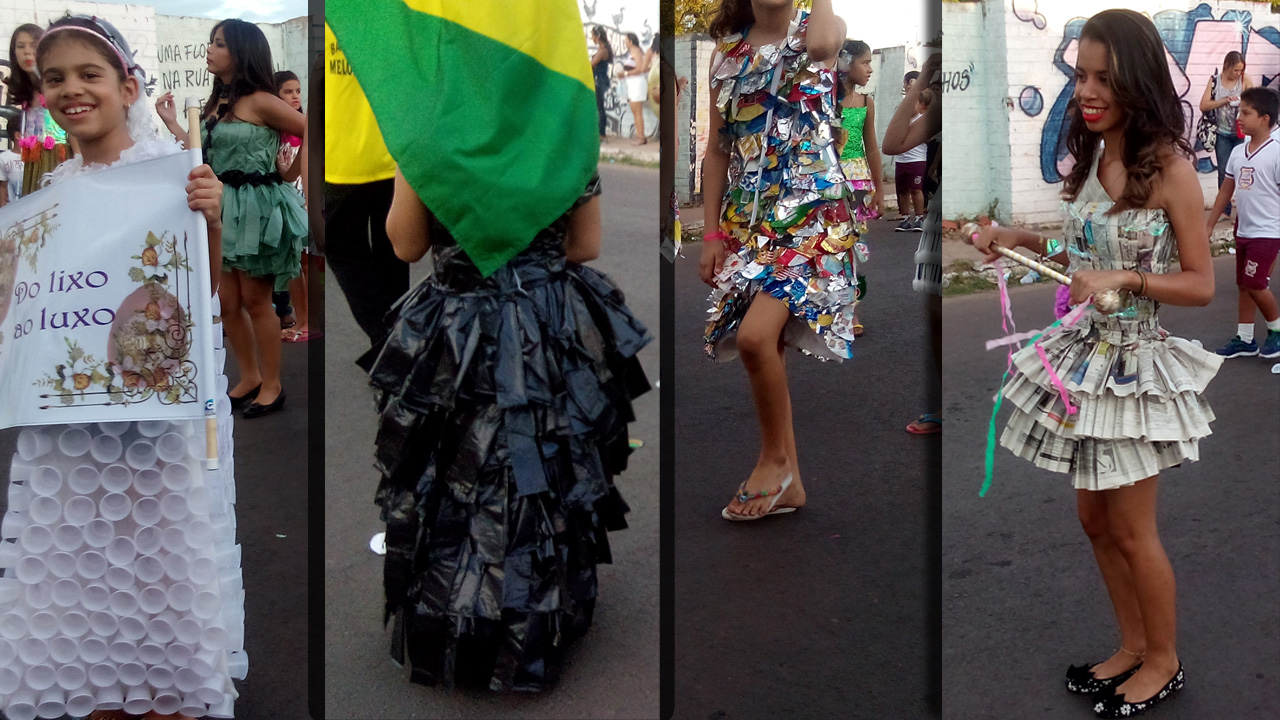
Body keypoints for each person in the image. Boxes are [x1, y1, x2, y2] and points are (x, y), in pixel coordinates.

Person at [968, 11, 1220, 717]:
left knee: (1134, 529)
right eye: (1081, 74)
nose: (1087, 89)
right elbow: (1083, 265)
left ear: (1137, 79)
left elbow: (1200, 284)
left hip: (1137, 369)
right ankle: (1132, 646)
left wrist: (1130, 283)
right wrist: (1018, 238)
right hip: (1083, 362)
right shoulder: (1092, 160)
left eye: (1104, 76)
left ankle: (1164, 661)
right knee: (1094, 522)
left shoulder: (1170, 167)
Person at [0, 15, 241, 720]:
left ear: (127, 84)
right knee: (79, 547)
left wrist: (214, 221)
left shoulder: (169, 172)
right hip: (67, 416)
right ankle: (97, 679)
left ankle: (167, 684)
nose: (72, 90)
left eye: (88, 74)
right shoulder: (45, 192)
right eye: (55, 79)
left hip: (151, 404)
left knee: (155, 541)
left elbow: (203, 293)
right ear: (41, 95)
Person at [368, 172, 651, 691]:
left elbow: (406, 244)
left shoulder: (428, 135)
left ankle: (457, 623)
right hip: (546, 321)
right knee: (543, 473)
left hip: (458, 327)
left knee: (454, 477)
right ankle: (540, 624)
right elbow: (584, 246)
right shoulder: (565, 124)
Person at [700, 0, 850, 520]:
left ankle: (772, 460)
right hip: (748, 220)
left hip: (811, 216)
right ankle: (791, 484)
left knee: (754, 337)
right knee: (771, 350)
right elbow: (719, 148)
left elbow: (826, 49)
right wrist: (713, 231)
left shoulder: (818, 32)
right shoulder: (726, 54)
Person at [156, 19, 306, 419]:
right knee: (227, 300)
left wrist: (289, 174)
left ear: (240, 52)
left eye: (218, 43)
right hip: (222, 206)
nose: (209, 49)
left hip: (257, 208)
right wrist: (172, 123)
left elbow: (312, 129)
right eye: (211, 42)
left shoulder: (259, 99)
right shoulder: (214, 102)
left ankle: (273, 385)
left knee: (258, 301)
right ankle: (250, 376)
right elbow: (202, 152)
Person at [323, 22, 408, 359]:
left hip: (348, 159)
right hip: (395, 151)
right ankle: (396, 337)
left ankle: (389, 339)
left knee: (346, 247)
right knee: (392, 254)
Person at [883, 53, 942, 436]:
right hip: (940, 210)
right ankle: (941, 405)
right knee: (936, 315)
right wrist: (921, 79)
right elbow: (892, 143)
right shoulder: (939, 106)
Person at [1206, 87, 1280, 359]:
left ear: (1265, 118)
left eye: (1245, 112)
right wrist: (1209, 225)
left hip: (1269, 231)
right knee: (1244, 284)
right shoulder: (1238, 152)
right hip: (1244, 229)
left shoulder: (1276, 152)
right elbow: (1226, 191)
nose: (1239, 117)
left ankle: (1276, 330)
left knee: (1256, 283)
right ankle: (1246, 339)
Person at [273, 69, 318, 343]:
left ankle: (308, 322)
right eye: (288, 91)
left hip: (304, 199)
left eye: (297, 91)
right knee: (295, 264)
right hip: (286, 200)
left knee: (306, 262)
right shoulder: (276, 129)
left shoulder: (304, 128)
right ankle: (302, 321)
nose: (295, 96)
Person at [7, 23, 74, 196]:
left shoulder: (55, 84)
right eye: (20, 46)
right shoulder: (27, 92)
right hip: (33, 162)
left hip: (59, 160)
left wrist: (80, 164)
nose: (27, 52)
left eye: (33, 45)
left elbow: (72, 122)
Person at [1199, 51, 1252, 216]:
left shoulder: (1244, 80)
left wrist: (1242, 102)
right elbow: (1204, 105)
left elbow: (1255, 100)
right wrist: (1225, 100)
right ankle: (1224, 211)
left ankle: (1244, 209)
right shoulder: (1215, 81)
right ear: (1226, 66)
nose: (1238, 74)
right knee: (1223, 171)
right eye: (1235, 70)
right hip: (1222, 134)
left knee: (1244, 170)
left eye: (1241, 70)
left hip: (1241, 133)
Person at [892, 87, 931, 232]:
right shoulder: (900, 120)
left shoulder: (922, 120)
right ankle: (905, 218)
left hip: (917, 159)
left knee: (916, 189)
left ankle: (919, 218)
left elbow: (929, 137)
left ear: (921, 105)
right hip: (901, 159)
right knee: (902, 191)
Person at [620, 32, 648, 145]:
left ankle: (641, 137)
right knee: (635, 111)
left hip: (637, 84)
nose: (625, 42)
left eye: (626, 40)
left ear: (630, 41)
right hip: (633, 84)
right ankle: (639, 135)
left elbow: (640, 69)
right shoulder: (633, 51)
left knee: (637, 111)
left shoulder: (636, 51)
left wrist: (625, 73)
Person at [590, 25, 613, 142]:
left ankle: (602, 134)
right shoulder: (603, 49)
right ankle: (600, 133)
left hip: (600, 81)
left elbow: (591, 64)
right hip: (600, 81)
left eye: (592, 36)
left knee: (600, 108)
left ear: (597, 36)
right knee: (599, 107)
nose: (591, 38)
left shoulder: (602, 51)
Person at [0, 127, 23, 206]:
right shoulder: (3, 158)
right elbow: (3, 186)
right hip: (13, 208)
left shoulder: (36, 157)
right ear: (18, 135)